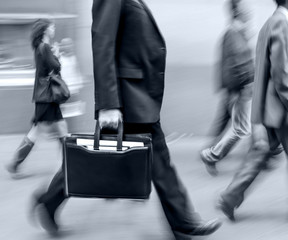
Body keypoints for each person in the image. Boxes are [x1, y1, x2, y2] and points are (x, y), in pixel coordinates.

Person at [30, 1, 221, 239]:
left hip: (135, 93)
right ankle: (181, 221)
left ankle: (181, 221)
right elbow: (102, 42)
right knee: (111, 159)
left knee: (140, 159)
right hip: (126, 94)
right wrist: (108, 104)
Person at [217, 0, 288, 221]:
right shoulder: (281, 24)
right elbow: (282, 74)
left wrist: (260, 111)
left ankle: (230, 198)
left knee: (259, 156)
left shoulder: (270, 24)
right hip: (282, 107)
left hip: (270, 107)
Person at [5, 19, 68, 179]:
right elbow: (55, 67)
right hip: (47, 98)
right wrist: (57, 54)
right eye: (52, 27)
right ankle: (15, 164)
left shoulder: (40, 47)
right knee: (40, 132)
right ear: (45, 30)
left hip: (45, 98)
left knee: (61, 129)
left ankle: (67, 165)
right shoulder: (45, 47)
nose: (54, 29)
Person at [200, 0, 254, 176]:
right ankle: (211, 155)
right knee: (241, 128)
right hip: (238, 89)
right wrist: (246, 83)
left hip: (235, 89)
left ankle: (259, 155)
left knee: (231, 124)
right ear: (238, 13)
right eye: (245, 9)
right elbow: (238, 64)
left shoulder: (237, 33)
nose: (249, 11)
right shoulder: (233, 34)